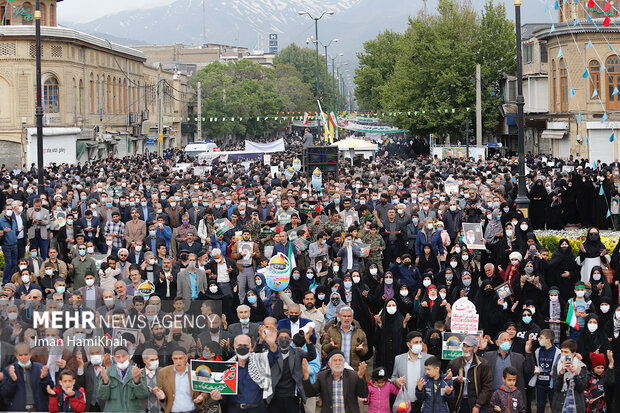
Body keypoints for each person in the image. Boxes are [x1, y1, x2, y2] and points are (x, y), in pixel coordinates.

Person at [301, 350, 368, 413]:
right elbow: (310, 393)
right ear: (329, 364)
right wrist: (306, 377)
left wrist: (360, 378)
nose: (338, 363)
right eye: (335, 360)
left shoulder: (353, 375)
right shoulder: (322, 376)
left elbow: (363, 394)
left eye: (340, 360)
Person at [150, 347, 212, 413]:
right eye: (175, 359)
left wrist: (202, 397)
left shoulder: (196, 371)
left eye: (180, 358)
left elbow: (206, 391)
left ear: (186, 358)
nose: (178, 362)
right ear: (172, 359)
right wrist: (162, 398)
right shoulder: (163, 372)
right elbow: (161, 395)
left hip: (193, 411)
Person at [267, 328, 316, 412]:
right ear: (277, 340)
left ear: (291, 340)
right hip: (275, 395)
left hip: (292, 395)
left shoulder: (297, 352)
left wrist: (308, 341)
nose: (283, 339)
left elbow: (311, 356)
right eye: (281, 337)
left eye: (286, 337)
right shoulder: (271, 353)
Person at [0, 342, 54, 411]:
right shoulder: (9, 370)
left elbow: (50, 391)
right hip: (18, 409)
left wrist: (44, 378)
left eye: (26, 354)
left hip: (39, 409)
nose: (23, 357)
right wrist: (12, 380)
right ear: (16, 355)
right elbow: (4, 394)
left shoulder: (40, 368)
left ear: (30, 354)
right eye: (20, 355)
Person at [447, 335, 493, 413]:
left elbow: (487, 387)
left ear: (475, 349)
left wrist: (478, 405)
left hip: (477, 402)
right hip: (459, 403)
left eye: (468, 346)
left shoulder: (483, 364)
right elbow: (448, 385)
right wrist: (454, 380)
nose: (465, 349)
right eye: (464, 346)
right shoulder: (454, 363)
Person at [97, 346, 150, 412]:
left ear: (129, 356)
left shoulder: (136, 371)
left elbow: (143, 395)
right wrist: (105, 382)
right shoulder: (108, 372)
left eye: (124, 356)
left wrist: (137, 382)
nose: (121, 360)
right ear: (114, 358)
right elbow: (102, 397)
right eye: (118, 357)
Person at [390, 331, 433, 410]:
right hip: (405, 403)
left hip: (423, 403)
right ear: (408, 344)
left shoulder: (429, 359)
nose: (419, 345)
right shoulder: (399, 359)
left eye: (420, 342)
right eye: (416, 342)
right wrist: (396, 381)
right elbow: (393, 377)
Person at [524, 329, 562, 413]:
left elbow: (559, 367)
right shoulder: (537, 351)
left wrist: (554, 372)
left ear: (548, 340)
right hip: (540, 383)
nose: (539, 339)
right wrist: (535, 369)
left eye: (541, 338)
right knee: (540, 405)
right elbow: (534, 364)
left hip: (551, 383)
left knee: (554, 405)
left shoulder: (558, 352)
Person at [321, 306, 368, 371]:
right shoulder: (331, 330)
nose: (346, 318)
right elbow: (324, 348)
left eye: (349, 316)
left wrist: (361, 350)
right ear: (340, 317)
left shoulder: (360, 332)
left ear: (352, 317)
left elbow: (365, 351)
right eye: (344, 316)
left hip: (353, 369)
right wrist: (330, 346)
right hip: (336, 369)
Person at [551, 339, 587, 413]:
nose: (563, 354)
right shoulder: (557, 365)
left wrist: (575, 374)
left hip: (576, 403)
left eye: (566, 352)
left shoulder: (581, 366)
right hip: (560, 403)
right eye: (562, 351)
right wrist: (562, 372)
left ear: (573, 354)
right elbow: (556, 387)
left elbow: (581, 388)